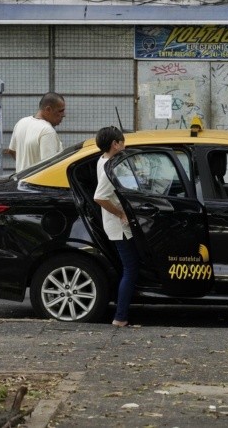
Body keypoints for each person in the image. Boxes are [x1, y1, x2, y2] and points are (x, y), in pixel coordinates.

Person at [93, 126, 139, 328]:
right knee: (130, 269)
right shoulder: (110, 167)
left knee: (129, 268)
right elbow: (99, 197)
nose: (125, 146)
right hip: (119, 227)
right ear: (115, 144)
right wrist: (121, 213)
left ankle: (121, 314)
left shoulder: (103, 159)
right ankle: (120, 317)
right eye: (123, 142)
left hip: (117, 226)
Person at [5, 92, 66, 173]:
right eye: (60, 111)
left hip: (20, 183)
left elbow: (11, 151)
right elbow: (49, 167)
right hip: (37, 184)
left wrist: (25, 165)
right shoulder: (47, 131)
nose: (64, 115)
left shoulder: (21, 122)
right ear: (48, 109)